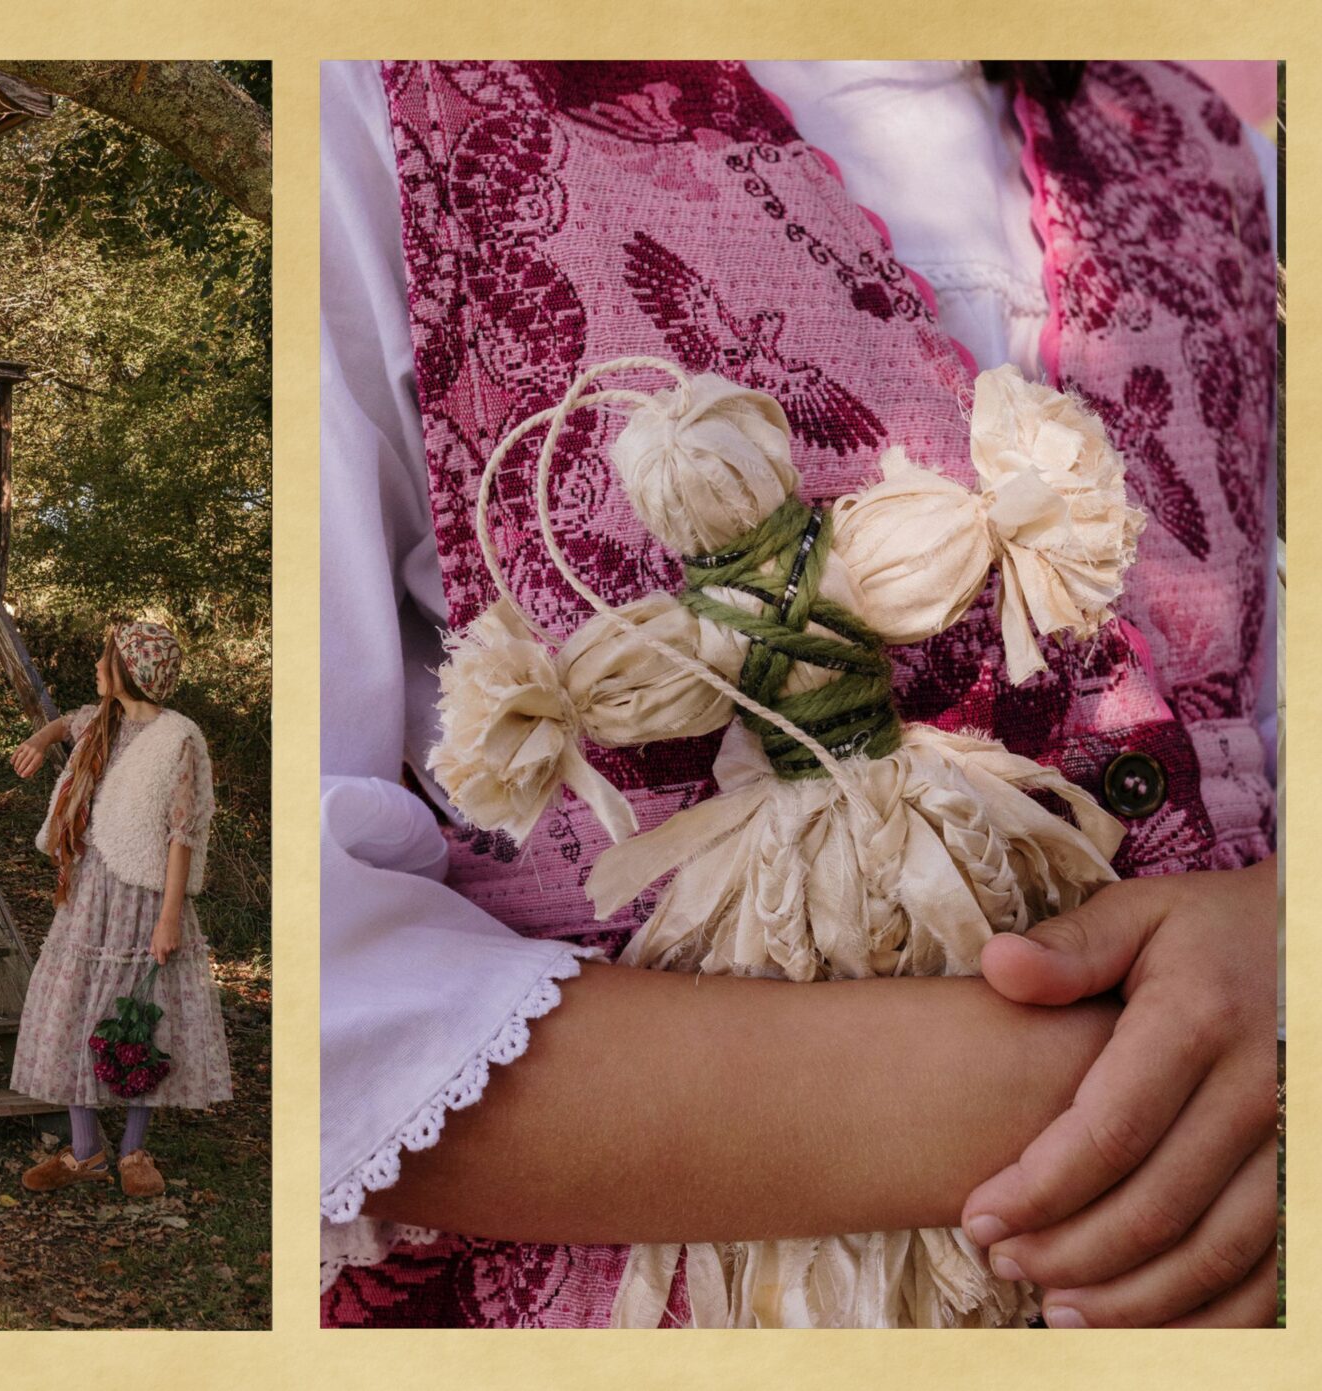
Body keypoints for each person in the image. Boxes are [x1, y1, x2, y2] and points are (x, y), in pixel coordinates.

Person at [320, 59, 1280, 1327]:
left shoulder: (1216, 160)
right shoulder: (377, 112)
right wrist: (1138, 1088)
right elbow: (326, 1002)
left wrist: (1274, 937)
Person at [8, 622, 231, 1199]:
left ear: (129, 671)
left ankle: (133, 1150)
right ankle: (86, 1150)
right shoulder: (100, 723)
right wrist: (40, 739)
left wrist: (170, 917)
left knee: (140, 1016)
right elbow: (67, 722)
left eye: (105, 661)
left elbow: (183, 833)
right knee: (77, 1006)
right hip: (90, 892)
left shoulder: (177, 739)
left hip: (143, 896)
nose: (97, 669)